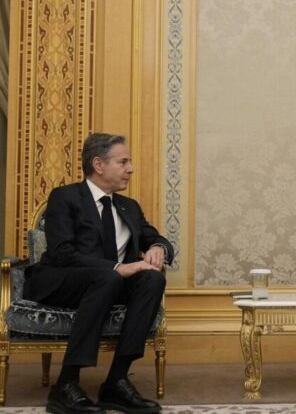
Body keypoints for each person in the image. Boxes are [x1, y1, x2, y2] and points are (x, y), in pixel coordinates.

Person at [23, 133, 174, 414]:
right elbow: (63, 253)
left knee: (153, 278)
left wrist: (157, 248)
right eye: (123, 162)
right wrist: (117, 267)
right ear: (98, 165)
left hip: (109, 284)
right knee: (109, 276)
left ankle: (116, 382)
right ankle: (66, 384)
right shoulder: (65, 197)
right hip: (63, 282)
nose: (130, 169)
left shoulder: (128, 206)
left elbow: (154, 237)